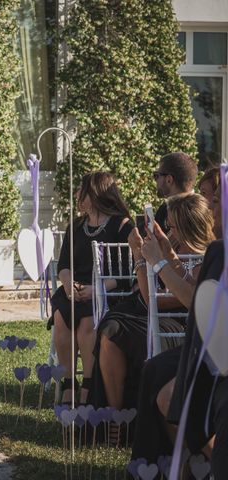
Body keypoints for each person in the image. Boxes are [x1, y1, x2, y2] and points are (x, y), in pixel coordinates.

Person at [89, 193, 215, 417]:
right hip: (161, 320)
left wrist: (140, 257)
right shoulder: (184, 254)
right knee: (112, 326)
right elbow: (177, 280)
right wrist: (167, 251)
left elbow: (152, 301)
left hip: (180, 328)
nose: (169, 230)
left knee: (114, 331)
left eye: (172, 226)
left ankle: (121, 415)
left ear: (186, 227)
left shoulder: (205, 258)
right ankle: (116, 416)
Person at [130, 174, 224, 468]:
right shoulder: (216, 250)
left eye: (215, 198)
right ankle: (170, 463)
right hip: (207, 344)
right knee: (153, 369)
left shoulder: (217, 251)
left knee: (162, 383)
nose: (209, 205)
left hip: (211, 349)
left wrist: (152, 262)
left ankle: (184, 462)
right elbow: (191, 285)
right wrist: (164, 253)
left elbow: (192, 300)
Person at [50, 171, 133, 405]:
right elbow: (64, 265)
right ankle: (68, 383)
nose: (77, 194)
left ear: (95, 193)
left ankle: (88, 385)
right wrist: (69, 286)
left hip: (109, 291)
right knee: (61, 316)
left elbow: (127, 272)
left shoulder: (123, 225)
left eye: (81, 189)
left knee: (88, 320)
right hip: (76, 289)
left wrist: (96, 289)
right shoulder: (76, 226)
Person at [153, 152, 198, 232]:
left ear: (169, 180)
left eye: (157, 175)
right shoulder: (164, 210)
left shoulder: (196, 215)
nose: (155, 180)